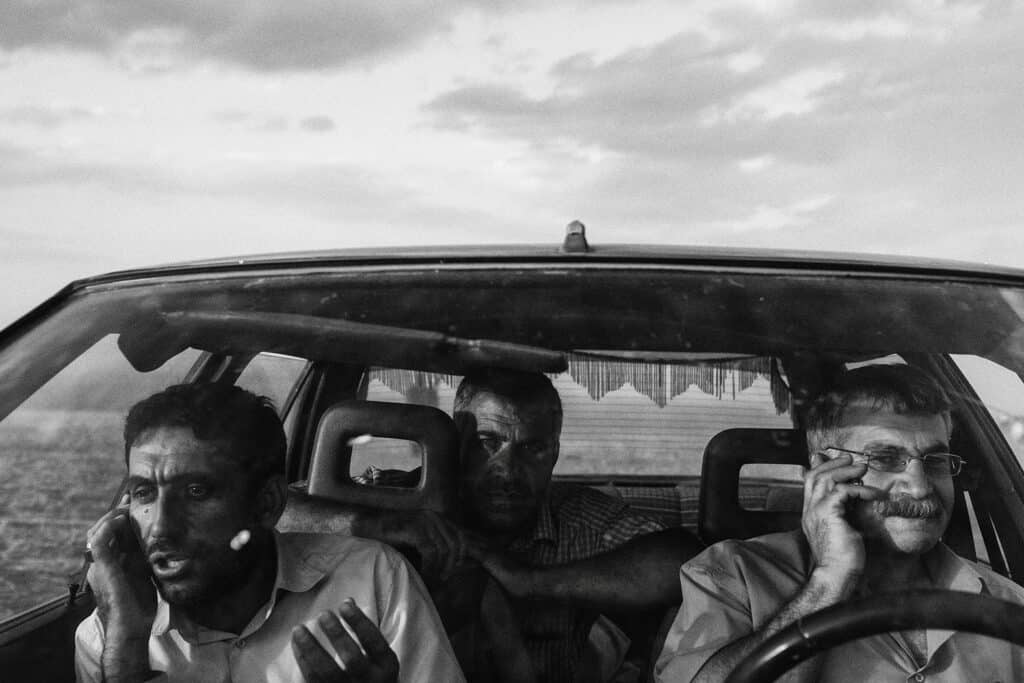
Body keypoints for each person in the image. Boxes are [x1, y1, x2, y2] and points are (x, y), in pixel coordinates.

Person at [287, 368, 703, 683]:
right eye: (488, 444)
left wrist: (531, 581)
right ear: (453, 444)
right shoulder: (395, 499)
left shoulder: (582, 521)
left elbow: (690, 563)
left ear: (555, 453)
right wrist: (378, 525)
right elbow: (269, 512)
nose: (507, 469)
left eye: (532, 449)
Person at [654, 363, 1024, 682]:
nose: (920, 486)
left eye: (935, 460)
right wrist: (831, 580)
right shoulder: (731, 576)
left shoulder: (1008, 602)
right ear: (824, 471)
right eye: (884, 457)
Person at [75, 383, 463, 683]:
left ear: (267, 504)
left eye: (196, 492)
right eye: (143, 493)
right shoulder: (110, 635)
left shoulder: (372, 581)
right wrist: (126, 652)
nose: (160, 526)